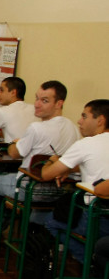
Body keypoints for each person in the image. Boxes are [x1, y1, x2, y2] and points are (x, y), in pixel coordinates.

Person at [0, 80, 79, 238]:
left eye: (44, 101)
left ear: (59, 103)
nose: (37, 104)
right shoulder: (73, 128)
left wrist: (14, 143)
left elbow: (15, 153)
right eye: (37, 98)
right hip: (60, 190)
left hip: (29, 188)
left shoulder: (37, 128)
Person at [41, 99, 109, 261]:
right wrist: (71, 168)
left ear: (100, 121)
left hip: (95, 217)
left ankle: (88, 261)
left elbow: (47, 175)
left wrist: (53, 160)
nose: (79, 121)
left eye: (84, 116)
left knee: (51, 222)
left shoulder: (85, 144)